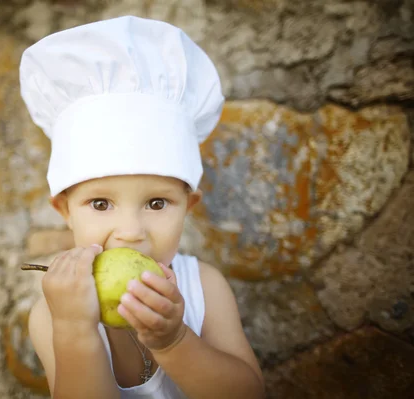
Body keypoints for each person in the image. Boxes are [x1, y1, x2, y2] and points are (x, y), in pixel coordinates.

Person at [19, 15, 265, 399]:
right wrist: (74, 331)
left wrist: (174, 341)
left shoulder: (205, 289)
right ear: (65, 210)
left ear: (188, 205)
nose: (130, 230)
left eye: (156, 202)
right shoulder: (52, 316)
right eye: (101, 203)